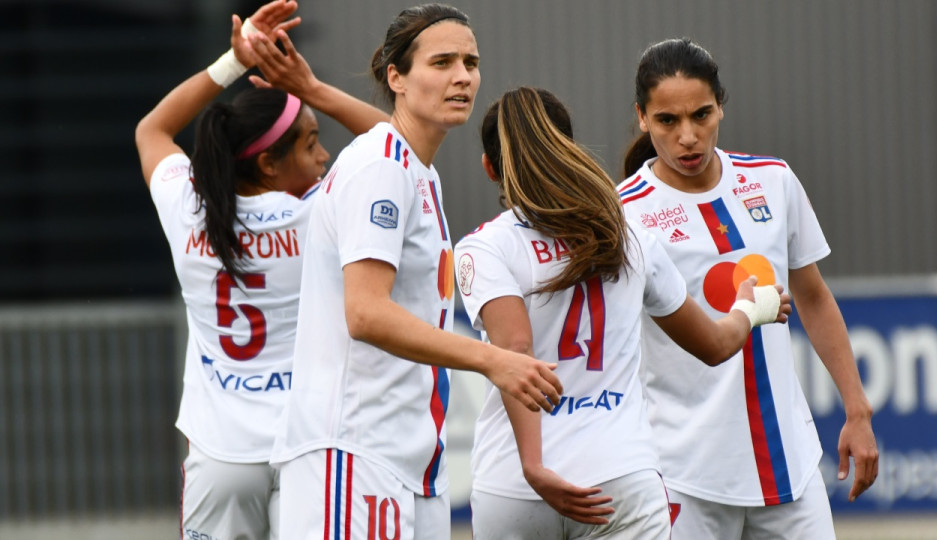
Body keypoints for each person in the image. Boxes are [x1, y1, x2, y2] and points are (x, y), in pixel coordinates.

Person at [264, 6, 564, 539]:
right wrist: (493, 360)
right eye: (442, 61)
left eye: (471, 62)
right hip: (353, 454)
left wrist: (312, 88)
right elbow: (365, 312)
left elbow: (390, 134)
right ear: (396, 77)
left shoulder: (411, 167)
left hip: (409, 459)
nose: (463, 76)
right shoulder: (380, 167)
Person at [455, 86, 792, 539]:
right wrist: (752, 309)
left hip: (513, 486)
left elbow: (516, 351)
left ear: (490, 168)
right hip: (618, 477)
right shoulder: (628, 234)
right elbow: (714, 346)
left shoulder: (484, 246)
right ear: (569, 150)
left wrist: (534, 466)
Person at [134, 2, 386, 538]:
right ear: (269, 162)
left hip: (220, 455)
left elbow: (153, 130)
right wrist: (310, 87)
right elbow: (399, 146)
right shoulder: (319, 211)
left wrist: (232, 61)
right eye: (312, 142)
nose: (324, 157)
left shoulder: (189, 208)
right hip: (307, 449)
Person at [618, 37, 879, 539]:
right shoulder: (623, 212)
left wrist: (857, 408)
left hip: (791, 467)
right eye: (668, 121)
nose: (688, 136)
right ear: (643, 118)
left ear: (721, 106)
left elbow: (814, 296)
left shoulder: (774, 180)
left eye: (702, 114)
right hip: (682, 475)